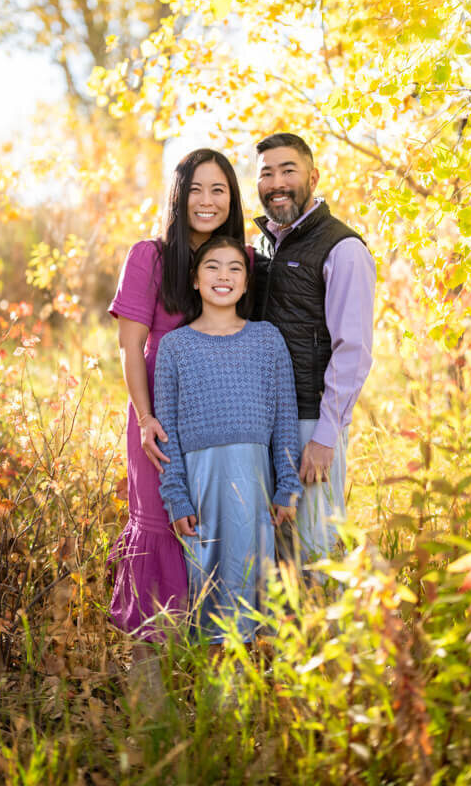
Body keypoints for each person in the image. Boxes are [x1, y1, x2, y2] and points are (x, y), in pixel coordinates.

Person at [107, 150, 246, 681]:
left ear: (232, 200)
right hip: (159, 426)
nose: (207, 202)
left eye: (219, 191)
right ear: (179, 195)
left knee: (216, 535)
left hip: (220, 425)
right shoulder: (150, 257)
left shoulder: (242, 262)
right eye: (197, 189)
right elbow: (130, 347)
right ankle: (151, 702)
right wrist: (144, 419)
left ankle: (215, 706)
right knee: (161, 533)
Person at [155, 236, 302, 644]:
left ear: (246, 282)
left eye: (235, 268)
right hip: (202, 488)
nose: (224, 275)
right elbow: (166, 430)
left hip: (254, 486)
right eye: (213, 267)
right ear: (195, 280)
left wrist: (288, 485)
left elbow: (286, 420)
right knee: (209, 592)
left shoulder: (267, 339)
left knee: (255, 589)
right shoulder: (175, 347)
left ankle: (255, 692)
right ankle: (213, 695)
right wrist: (176, 497)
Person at [253, 133, 375, 566]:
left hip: (310, 422)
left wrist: (325, 437)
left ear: (313, 177)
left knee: (315, 552)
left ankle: (327, 635)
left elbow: (353, 350)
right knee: (273, 558)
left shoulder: (342, 248)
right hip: (262, 423)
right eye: (267, 173)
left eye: (289, 170)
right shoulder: (261, 247)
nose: (277, 182)